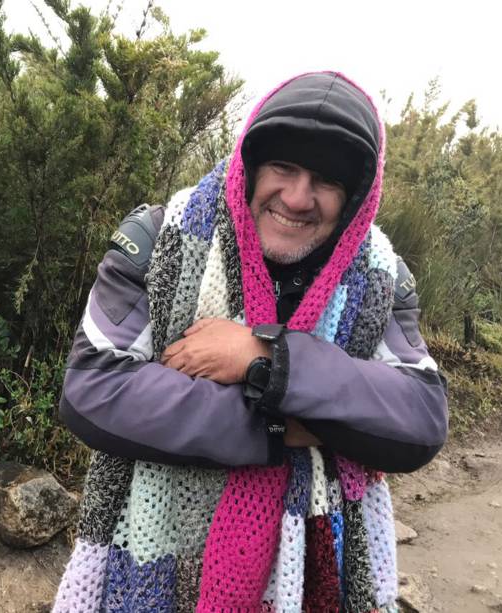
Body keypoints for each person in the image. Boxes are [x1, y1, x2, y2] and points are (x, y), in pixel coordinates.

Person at [52, 72, 448, 613]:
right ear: (251, 164)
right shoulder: (155, 238)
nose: (298, 197)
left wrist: (265, 359)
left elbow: (419, 415)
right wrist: (280, 429)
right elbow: (94, 388)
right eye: (283, 167)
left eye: (326, 181)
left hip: (317, 572)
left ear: (357, 193)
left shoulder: (381, 276)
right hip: (154, 561)